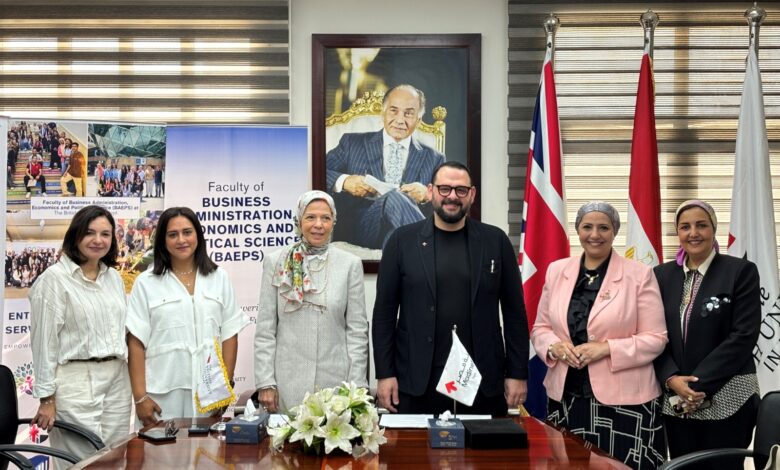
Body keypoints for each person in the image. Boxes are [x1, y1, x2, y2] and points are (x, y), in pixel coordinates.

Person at [373, 161, 527, 415]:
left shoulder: (495, 241)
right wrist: (385, 373)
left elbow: (515, 314)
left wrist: (517, 373)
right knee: (415, 444)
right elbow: (384, 315)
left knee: (486, 443)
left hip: (483, 380)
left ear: (472, 194)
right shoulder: (402, 241)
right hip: (416, 380)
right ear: (430, 191)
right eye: (444, 189)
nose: (452, 196)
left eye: (460, 190)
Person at [530, 201, 668, 469]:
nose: (595, 234)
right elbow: (540, 329)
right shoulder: (557, 271)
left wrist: (606, 348)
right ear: (577, 230)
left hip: (626, 405)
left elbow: (656, 338)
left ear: (614, 231)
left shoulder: (640, 275)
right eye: (587, 227)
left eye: (603, 227)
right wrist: (554, 347)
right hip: (566, 399)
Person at [653, 200, 760, 469]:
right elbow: (653, 333)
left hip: (728, 396)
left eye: (701, 225)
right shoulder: (661, 275)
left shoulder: (740, 271)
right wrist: (671, 379)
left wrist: (694, 386)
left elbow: (743, 335)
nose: (693, 233)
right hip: (677, 399)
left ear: (714, 228)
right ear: (677, 232)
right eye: (685, 227)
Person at [126, 207, 248, 427]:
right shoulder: (146, 283)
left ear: (197, 236)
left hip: (208, 393)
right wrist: (140, 397)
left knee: (206, 449)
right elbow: (136, 341)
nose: (181, 240)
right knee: (160, 450)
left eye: (187, 232)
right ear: (163, 240)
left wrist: (224, 387)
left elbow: (230, 333)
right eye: (173, 234)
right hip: (161, 395)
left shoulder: (218, 277)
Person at [29, 205, 131, 467]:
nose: (98, 240)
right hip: (75, 382)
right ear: (75, 235)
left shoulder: (114, 278)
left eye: (105, 234)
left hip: (118, 379)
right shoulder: (54, 280)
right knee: (80, 462)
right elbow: (44, 343)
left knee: (115, 459)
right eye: (90, 233)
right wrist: (47, 399)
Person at [254, 190, 369, 411]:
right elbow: (265, 330)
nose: (318, 224)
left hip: (336, 384)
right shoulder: (276, 261)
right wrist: (266, 383)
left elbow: (357, 331)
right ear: (299, 220)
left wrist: (356, 387)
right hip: (287, 383)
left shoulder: (350, 264)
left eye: (326, 218)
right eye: (310, 217)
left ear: (334, 222)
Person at [325, 84, 445, 249]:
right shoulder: (352, 143)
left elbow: (447, 203)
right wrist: (345, 181)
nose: (400, 120)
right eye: (393, 111)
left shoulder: (434, 158)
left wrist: (427, 195)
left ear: (418, 119)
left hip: (402, 232)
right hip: (361, 228)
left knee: (396, 239)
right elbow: (318, 171)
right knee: (393, 197)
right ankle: (434, 249)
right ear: (383, 113)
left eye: (408, 113)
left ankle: (422, 251)